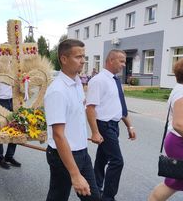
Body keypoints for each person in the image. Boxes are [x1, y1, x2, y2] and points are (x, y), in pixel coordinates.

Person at [44, 39, 100, 201]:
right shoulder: (57, 91)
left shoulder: (77, 83)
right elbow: (58, 135)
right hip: (63, 155)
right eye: (78, 57)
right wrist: (75, 175)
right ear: (63, 59)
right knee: (58, 196)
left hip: (81, 152)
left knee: (93, 197)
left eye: (84, 56)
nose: (83, 61)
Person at [86, 49, 136, 201]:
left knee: (102, 160)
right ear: (110, 60)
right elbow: (90, 108)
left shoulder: (116, 81)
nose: (123, 64)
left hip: (114, 125)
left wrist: (129, 126)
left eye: (124, 61)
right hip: (104, 126)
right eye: (121, 61)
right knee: (117, 161)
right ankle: (108, 197)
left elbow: (121, 107)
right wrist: (95, 132)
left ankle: (94, 190)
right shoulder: (98, 80)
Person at [148, 57, 183, 201]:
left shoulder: (181, 90)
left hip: (179, 142)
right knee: (173, 182)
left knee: (173, 183)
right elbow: (180, 125)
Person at [0, 82, 21, 170]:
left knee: (15, 128)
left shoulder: (14, 70)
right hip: (0, 101)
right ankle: (0, 158)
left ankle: (9, 156)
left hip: (12, 101)